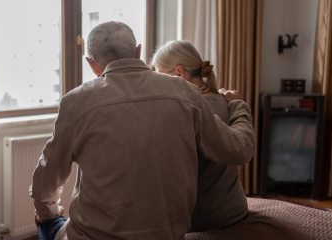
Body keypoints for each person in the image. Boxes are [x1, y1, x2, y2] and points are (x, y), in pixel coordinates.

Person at [30, 21, 255, 240]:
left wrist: (48, 213)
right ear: (138, 52)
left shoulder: (75, 101)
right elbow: (238, 150)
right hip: (167, 234)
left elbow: (45, 183)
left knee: (48, 222)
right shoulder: (186, 92)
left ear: (91, 64)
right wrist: (238, 105)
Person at [150, 40, 250, 231]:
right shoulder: (224, 100)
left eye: (159, 76)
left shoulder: (188, 111)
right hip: (233, 208)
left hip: (203, 218)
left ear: (179, 72)